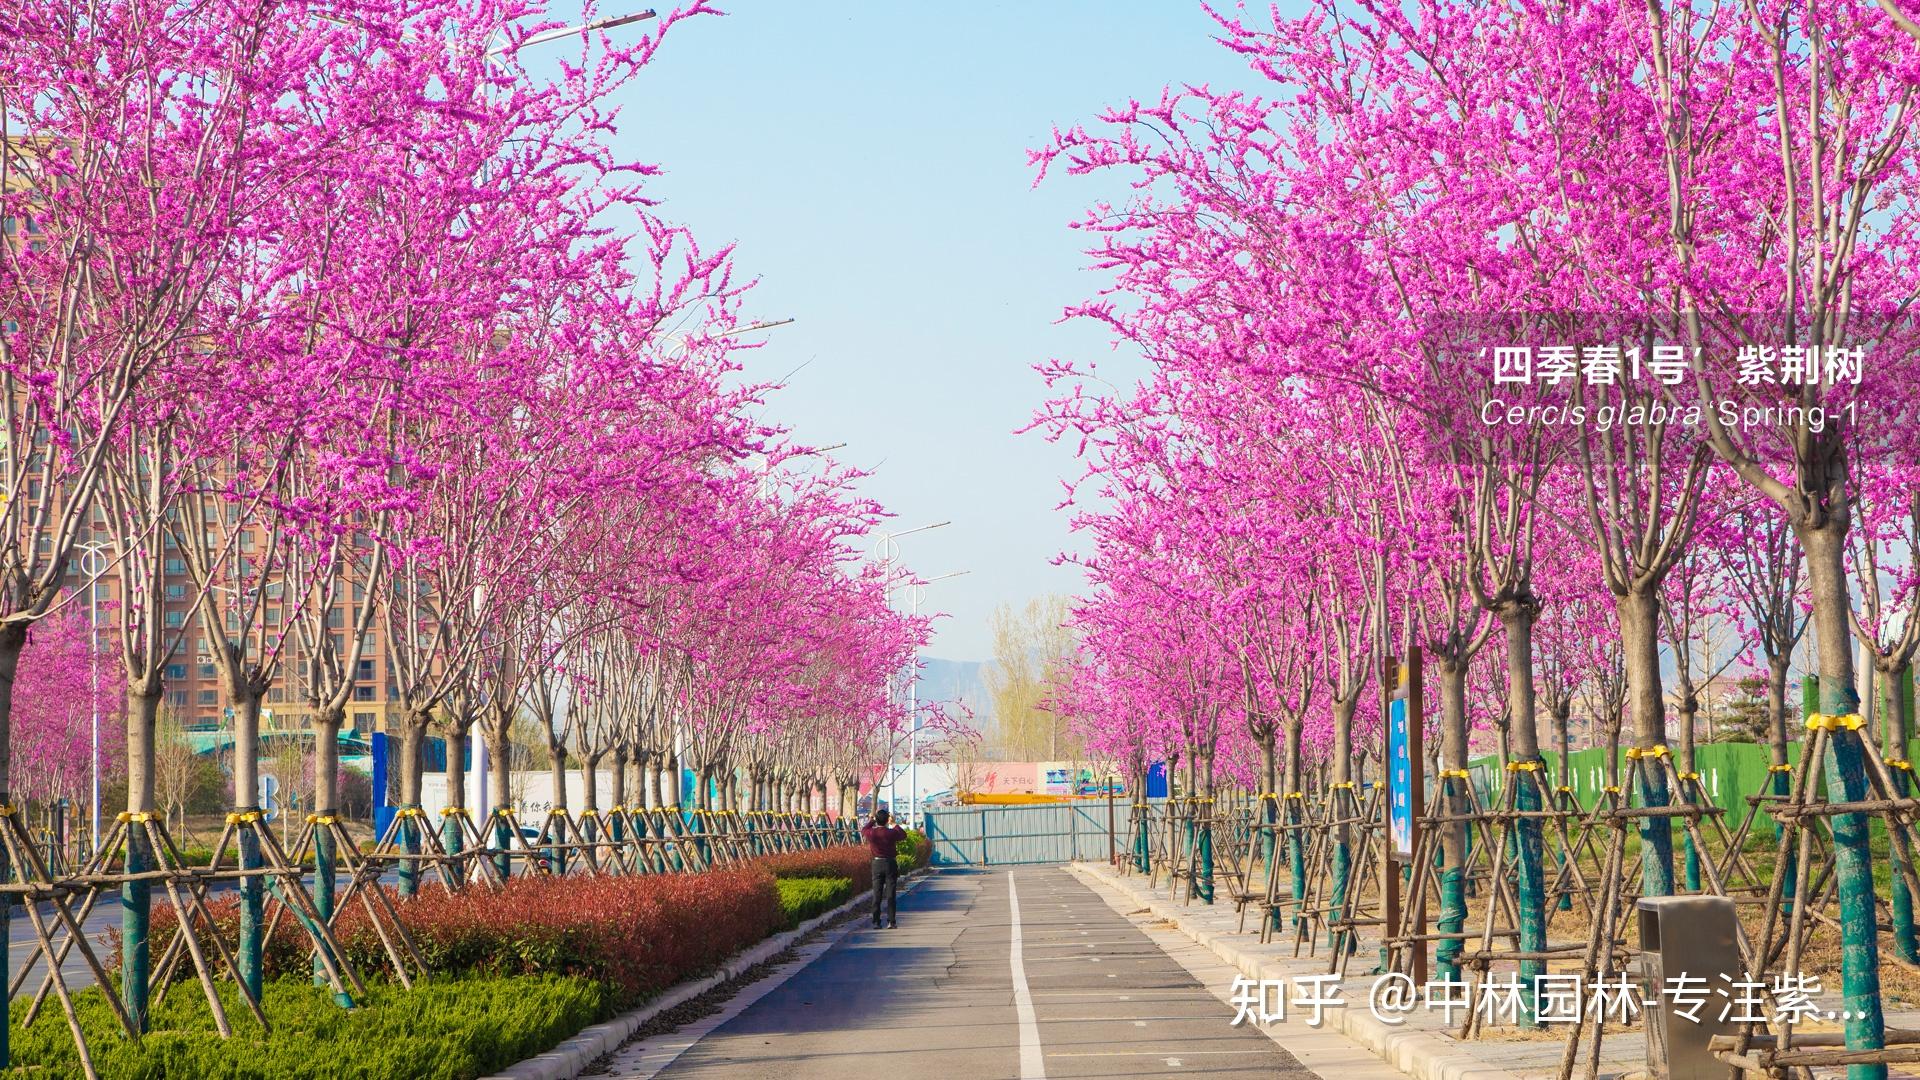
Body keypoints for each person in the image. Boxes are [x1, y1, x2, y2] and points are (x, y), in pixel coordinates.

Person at [862, 807, 907, 928]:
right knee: (891, 894)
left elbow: (864, 829)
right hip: (890, 864)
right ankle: (891, 921)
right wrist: (893, 823)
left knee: (877, 894)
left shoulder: (871, 833)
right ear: (887, 819)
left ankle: (876, 922)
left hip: (876, 864)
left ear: (877, 820)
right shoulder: (891, 833)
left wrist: (872, 820)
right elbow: (903, 835)